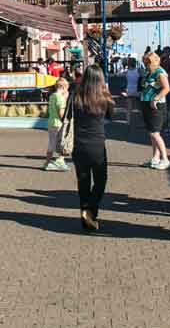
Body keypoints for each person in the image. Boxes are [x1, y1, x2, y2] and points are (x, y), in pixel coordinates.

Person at [72, 65, 114, 232]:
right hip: (97, 145)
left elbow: (67, 115)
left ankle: (85, 216)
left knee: (83, 182)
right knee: (101, 180)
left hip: (79, 144)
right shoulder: (104, 97)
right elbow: (111, 115)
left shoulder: (76, 95)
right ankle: (91, 211)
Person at [138, 52, 170, 169]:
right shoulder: (149, 72)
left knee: (155, 133)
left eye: (146, 62)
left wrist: (155, 99)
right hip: (146, 103)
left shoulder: (160, 72)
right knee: (152, 133)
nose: (144, 64)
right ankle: (155, 158)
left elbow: (166, 88)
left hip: (156, 106)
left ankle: (165, 159)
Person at [43, 78, 70, 171]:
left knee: (51, 143)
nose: (67, 90)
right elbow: (61, 113)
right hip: (58, 123)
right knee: (62, 142)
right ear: (63, 87)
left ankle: (47, 163)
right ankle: (60, 161)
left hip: (51, 122)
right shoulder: (60, 98)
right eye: (67, 88)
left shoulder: (52, 96)